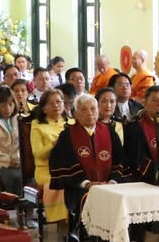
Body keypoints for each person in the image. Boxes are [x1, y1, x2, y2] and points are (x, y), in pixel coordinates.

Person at [48, 94, 114, 233]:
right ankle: (95, 240)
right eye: (83, 110)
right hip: (79, 188)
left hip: (110, 185)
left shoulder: (109, 132)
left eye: (92, 109)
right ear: (76, 113)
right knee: (92, 198)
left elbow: (120, 162)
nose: (89, 113)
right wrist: (87, 183)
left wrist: (112, 182)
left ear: (98, 111)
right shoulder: (67, 136)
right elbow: (64, 164)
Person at [27, 89, 71, 235]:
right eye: (51, 103)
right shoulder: (37, 125)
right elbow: (38, 153)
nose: (56, 105)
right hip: (46, 169)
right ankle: (63, 224)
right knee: (61, 183)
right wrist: (55, 144)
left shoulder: (71, 123)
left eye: (59, 102)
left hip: (71, 167)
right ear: (44, 108)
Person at [118, 84, 159, 182]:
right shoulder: (135, 128)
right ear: (145, 104)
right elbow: (135, 160)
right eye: (154, 100)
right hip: (147, 178)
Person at [0, 88, 24, 198]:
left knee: (27, 174)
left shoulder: (19, 119)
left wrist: (17, 158)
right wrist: (8, 161)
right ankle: (12, 205)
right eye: (3, 105)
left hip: (18, 161)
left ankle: (28, 206)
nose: (8, 108)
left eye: (11, 104)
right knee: (13, 176)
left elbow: (23, 143)